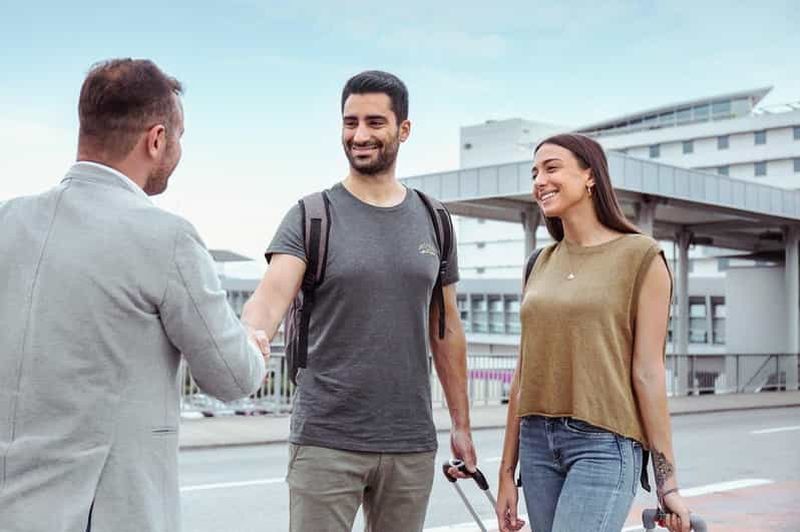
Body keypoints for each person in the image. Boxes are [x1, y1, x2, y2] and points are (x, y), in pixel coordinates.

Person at [0, 59, 268, 532]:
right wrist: (253, 342)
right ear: (156, 139)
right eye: (179, 136)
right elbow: (231, 376)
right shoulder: (166, 237)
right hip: (102, 514)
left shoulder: (9, 219)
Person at [241, 70, 476, 532]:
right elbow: (268, 300)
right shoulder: (312, 215)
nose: (360, 135)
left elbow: (447, 330)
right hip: (326, 439)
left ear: (403, 129)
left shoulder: (434, 219)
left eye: (374, 122)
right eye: (350, 123)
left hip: (410, 441)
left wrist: (462, 425)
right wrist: (251, 336)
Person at [494, 134, 691, 532]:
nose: (539, 181)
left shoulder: (642, 257)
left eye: (551, 168)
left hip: (604, 444)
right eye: (534, 173)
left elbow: (648, 373)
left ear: (590, 176)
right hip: (536, 444)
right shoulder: (539, 262)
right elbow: (522, 374)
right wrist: (505, 472)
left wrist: (667, 483)